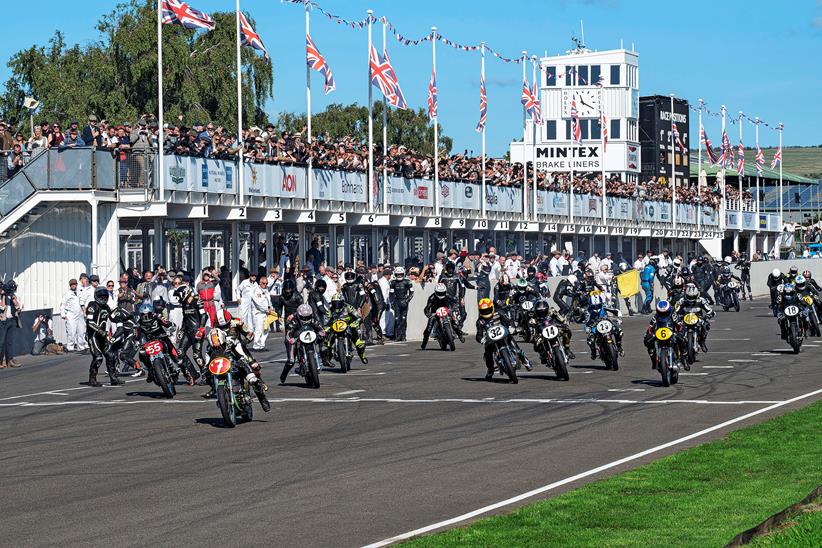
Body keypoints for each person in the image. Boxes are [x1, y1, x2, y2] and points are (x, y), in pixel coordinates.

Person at [136, 301, 195, 385]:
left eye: (147, 314)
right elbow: (137, 335)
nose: (145, 317)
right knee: (141, 354)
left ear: (151, 313)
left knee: (176, 356)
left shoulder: (158, 317)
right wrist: (137, 342)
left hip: (162, 338)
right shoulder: (138, 323)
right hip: (148, 342)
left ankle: (187, 374)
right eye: (143, 315)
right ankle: (150, 371)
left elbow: (169, 324)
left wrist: (170, 328)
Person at [474, 298, 531, 381]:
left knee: (517, 349)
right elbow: (478, 334)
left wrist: (511, 327)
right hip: (491, 339)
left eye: (488, 310)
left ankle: (525, 360)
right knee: (487, 355)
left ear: (492, 307)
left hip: (504, 334)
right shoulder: (480, 321)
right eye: (484, 310)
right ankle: (490, 370)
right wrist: (482, 339)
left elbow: (508, 320)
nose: (486, 312)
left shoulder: (499, 312)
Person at [279, 303, 327, 383]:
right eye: (303, 318)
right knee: (291, 361)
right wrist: (291, 339)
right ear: (298, 315)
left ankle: (325, 359)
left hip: (309, 337)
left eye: (307, 317)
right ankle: (283, 376)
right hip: (295, 339)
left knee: (324, 343)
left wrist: (322, 333)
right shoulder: (294, 321)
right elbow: (288, 333)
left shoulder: (313, 320)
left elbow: (320, 328)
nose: (305, 320)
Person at [85, 287, 122, 386]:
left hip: (102, 336)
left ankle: (113, 378)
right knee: (98, 357)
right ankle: (92, 379)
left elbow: (113, 318)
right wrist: (101, 331)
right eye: (101, 296)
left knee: (110, 355)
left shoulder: (106, 307)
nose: (103, 298)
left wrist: (122, 319)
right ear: (96, 296)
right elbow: (89, 322)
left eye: (105, 296)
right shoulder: (92, 305)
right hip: (93, 336)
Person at [172, 285, 208, 381]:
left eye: (179, 296)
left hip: (197, 332)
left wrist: (201, 329)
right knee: (180, 352)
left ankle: (205, 376)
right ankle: (193, 373)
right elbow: (185, 318)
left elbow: (204, 316)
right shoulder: (184, 304)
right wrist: (182, 329)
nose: (179, 298)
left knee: (197, 355)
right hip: (187, 331)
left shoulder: (197, 301)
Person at [420, 283, 465, 349]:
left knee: (454, 322)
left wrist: (454, 307)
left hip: (446, 311)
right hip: (435, 313)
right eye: (439, 293)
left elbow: (455, 301)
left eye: (442, 292)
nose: (441, 294)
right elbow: (426, 308)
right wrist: (428, 314)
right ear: (435, 292)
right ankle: (424, 343)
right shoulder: (432, 297)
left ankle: (460, 334)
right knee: (429, 328)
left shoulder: (447, 295)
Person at [325, 294, 367, 363]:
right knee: (327, 343)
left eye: (338, 303)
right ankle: (328, 359)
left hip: (349, 326)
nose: (336, 305)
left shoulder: (348, 307)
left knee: (360, 344)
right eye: (335, 303)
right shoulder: (330, 310)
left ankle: (362, 356)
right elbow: (327, 320)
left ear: (342, 302)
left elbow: (358, 317)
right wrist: (326, 327)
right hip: (335, 328)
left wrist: (356, 322)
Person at [673, 283, 715, 353]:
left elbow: (709, 310)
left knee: (706, 325)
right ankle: (680, 345)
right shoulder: (682, 300)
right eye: (689, 297)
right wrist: (675, 317)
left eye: (693, 297)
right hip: (684, 318)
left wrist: (709, 315)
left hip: (698, 318)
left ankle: (702, 341)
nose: (691, 299)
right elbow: (675, 311)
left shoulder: (701, 300)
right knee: (677, 328)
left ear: (697, 295)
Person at [642, 300, 683, 370]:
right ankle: (653, 360)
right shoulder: (656, 316)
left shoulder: (672, 314)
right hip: (659, 333)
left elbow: (679, 323)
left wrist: (680, 329)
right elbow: (650, 326)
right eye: (661, 313)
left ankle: (683, 357)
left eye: (665, 313)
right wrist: (649, 333)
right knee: (647, 339)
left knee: (682, 338)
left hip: (670, 333)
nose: (663, 314)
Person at [584, 292, 624, 359]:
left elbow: (614, 310)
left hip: (607, 322)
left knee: (619, 332)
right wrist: (587, 327)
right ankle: (593, 352)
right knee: (590, 340)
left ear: (601, 303)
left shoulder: (604, 306)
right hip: (595, 326)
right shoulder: (588, 311)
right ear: (590, 305)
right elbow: (586, 321)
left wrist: (618, 315)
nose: (596, 308)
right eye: (594, 306)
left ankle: (619, 347)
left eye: (598, 305)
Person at [59, 278, 86, 352]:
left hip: (80, 314)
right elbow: (63, 305)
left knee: (81, 331)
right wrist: (63, 315)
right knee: (71, 331)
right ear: (70, 285)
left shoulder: (80, 292)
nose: (74, 285)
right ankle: (70, 346)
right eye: (72, 284)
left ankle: (81, 346)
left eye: (75, 284)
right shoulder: (67, 294)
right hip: (71, 314)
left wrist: (84, 312)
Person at [0, 282, 21, 368]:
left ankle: (10, 360)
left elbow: (18, 306)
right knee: (1, 342)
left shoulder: (11, 296)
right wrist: (3, 296)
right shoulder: (2, 297)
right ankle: (0, 361)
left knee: (9, 342)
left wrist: (12, 297)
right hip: (3, 321)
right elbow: (2, 306)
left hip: (11, 320)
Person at [389, 267, 414, 341]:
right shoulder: (393, 282)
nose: (399, 276)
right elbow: (391, 293)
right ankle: (398, 335)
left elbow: (412, 292)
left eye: (400, 274)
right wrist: (392, 302)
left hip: (404, 301)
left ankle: (403, 335)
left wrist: (407, 300)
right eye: (398, 274)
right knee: (397, 319)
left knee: (403, 319)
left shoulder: (407, 282)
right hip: (396, 302)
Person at [250, 275, 273, 351]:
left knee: (266, 330)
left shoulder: (266, 290)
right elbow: (258, 304)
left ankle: (261, 345)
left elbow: (269, 301)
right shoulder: (256, 290)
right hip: (258, 313)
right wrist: (266, 310)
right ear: (260, 283)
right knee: (258, 330)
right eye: (263, 283)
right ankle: (256, 346)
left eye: (266, 283)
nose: (265, 285)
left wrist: (271, 308)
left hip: (266, 314)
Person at [362, 277, 386, 344]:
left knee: (375, 322)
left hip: (378, 306)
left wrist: (378, 304)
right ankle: (379, 338)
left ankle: (380, 338)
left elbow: (374, 293)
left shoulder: (370, 286)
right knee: (374, 322)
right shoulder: (373, 284)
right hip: (377, 306)